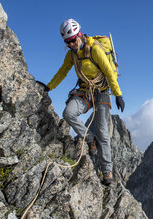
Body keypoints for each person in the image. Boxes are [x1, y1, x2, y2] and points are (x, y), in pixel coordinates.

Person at [45, 19, 125, 185]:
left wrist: (118, 95)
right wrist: (48, 87)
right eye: (68, 42)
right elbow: (62, 72)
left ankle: (107, 172)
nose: (72, 44)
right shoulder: (71, 55)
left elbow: (109, 73)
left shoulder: (94, 49)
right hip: (85, 91)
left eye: (73, 40)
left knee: (103, 131)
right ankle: (90, 139)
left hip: (101, 91)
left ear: (79, 35)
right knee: (68, 113)